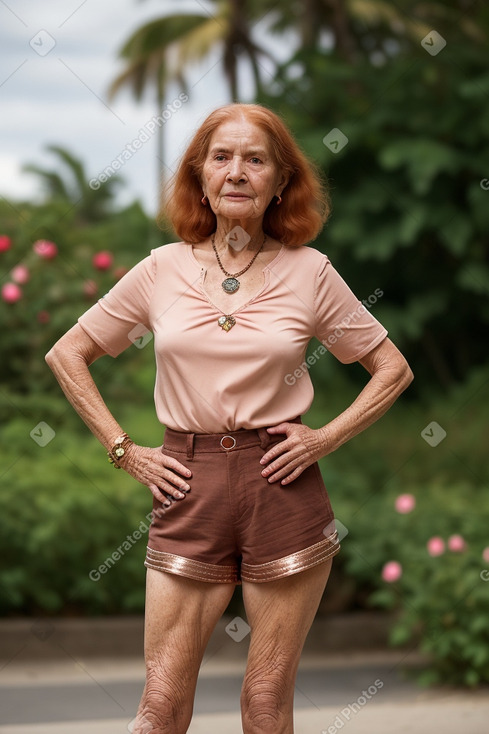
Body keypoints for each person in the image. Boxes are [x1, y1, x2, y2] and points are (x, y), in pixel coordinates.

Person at [45, 102, 413, 734]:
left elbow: (392, 368)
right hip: (187, 482)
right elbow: (68, 353)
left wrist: (323, 438)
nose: (237, 171)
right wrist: (124, 449)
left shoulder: (310, 272)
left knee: (265, 705)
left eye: (255, 159)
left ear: (279, 182)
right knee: (159, 708)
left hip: (283, 485)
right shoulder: (162, 267)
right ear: (201, 175)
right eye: (222, 157)